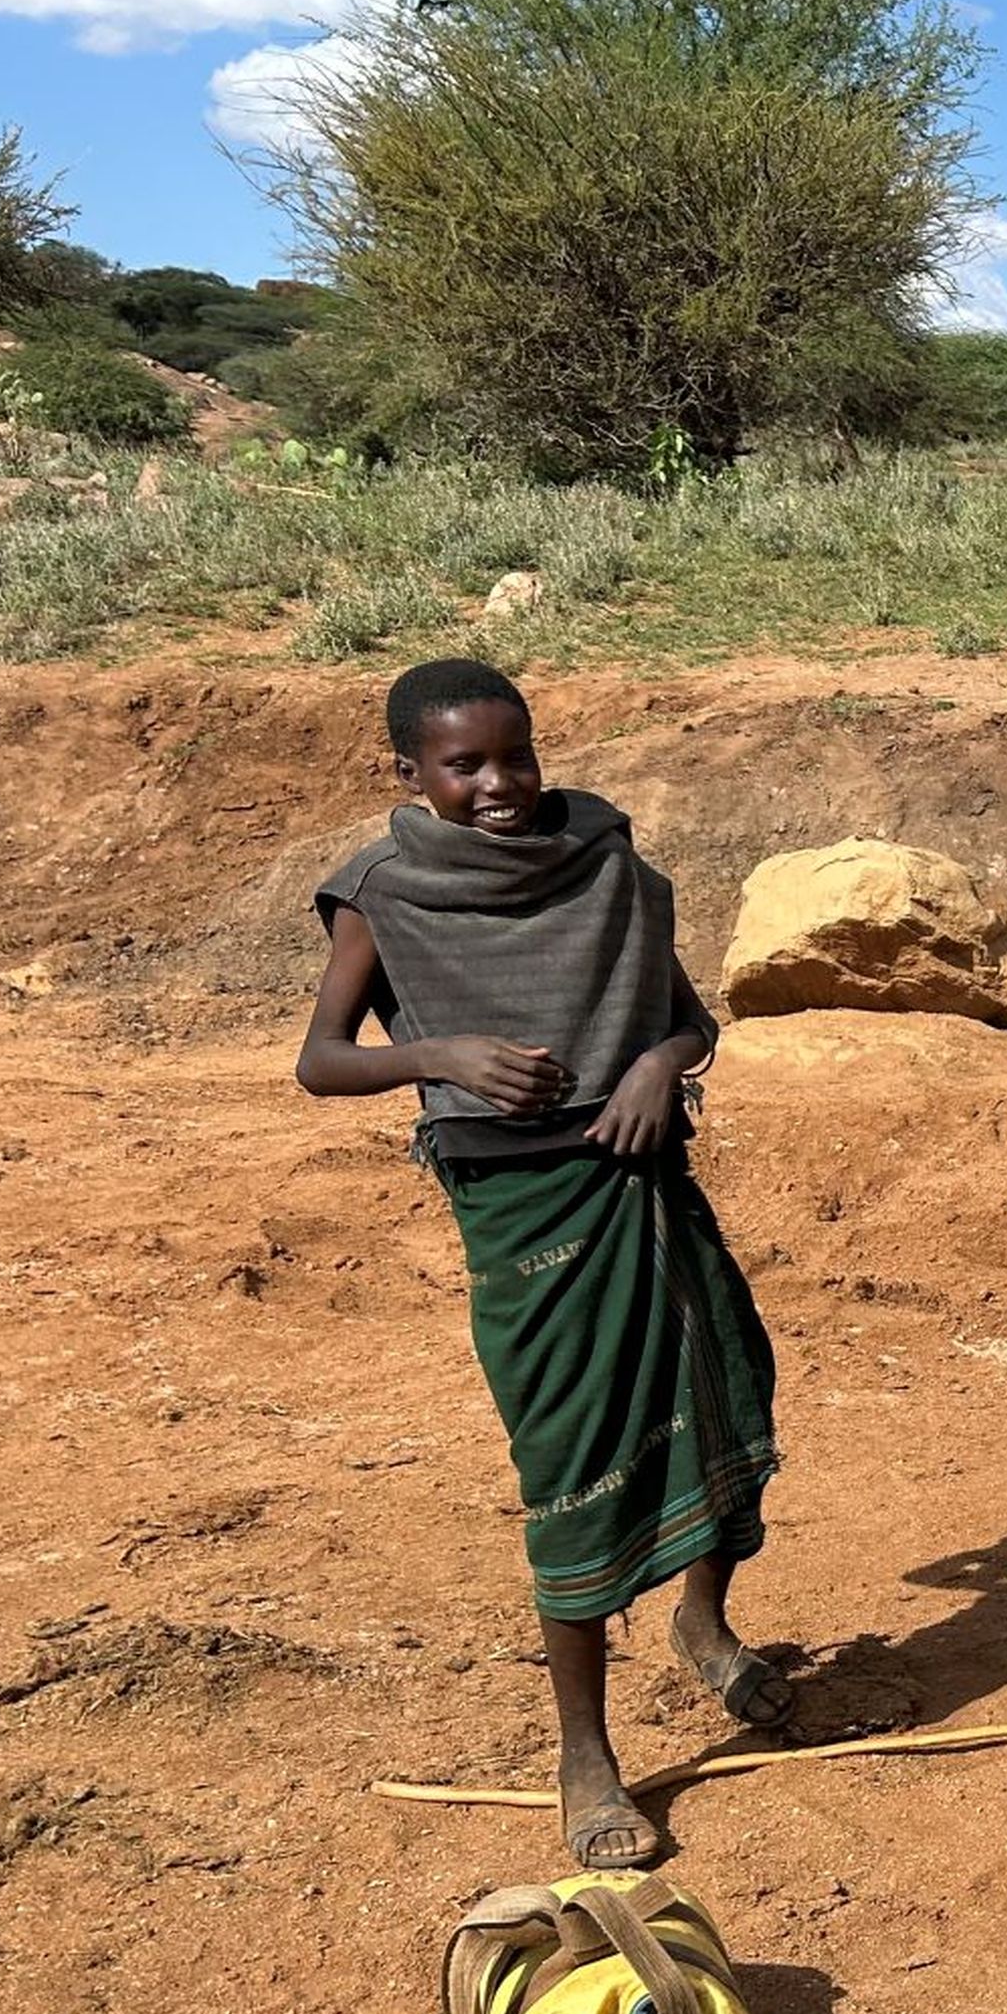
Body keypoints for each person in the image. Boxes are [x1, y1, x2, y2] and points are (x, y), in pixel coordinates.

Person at [295, 659, 785, 1873]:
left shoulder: (609, 864)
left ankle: (705, 1623)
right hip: (524, 1215)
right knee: (568, 1461)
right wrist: (441, 1053)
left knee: (719, 1396)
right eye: (466, 765)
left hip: (647, 1182)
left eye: (518, 756)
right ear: (410, 773)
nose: (501, 783)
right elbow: (321, 1059)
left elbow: (687, 1019)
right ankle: (586, 1753)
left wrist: (655, 1069)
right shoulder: (382, 895)